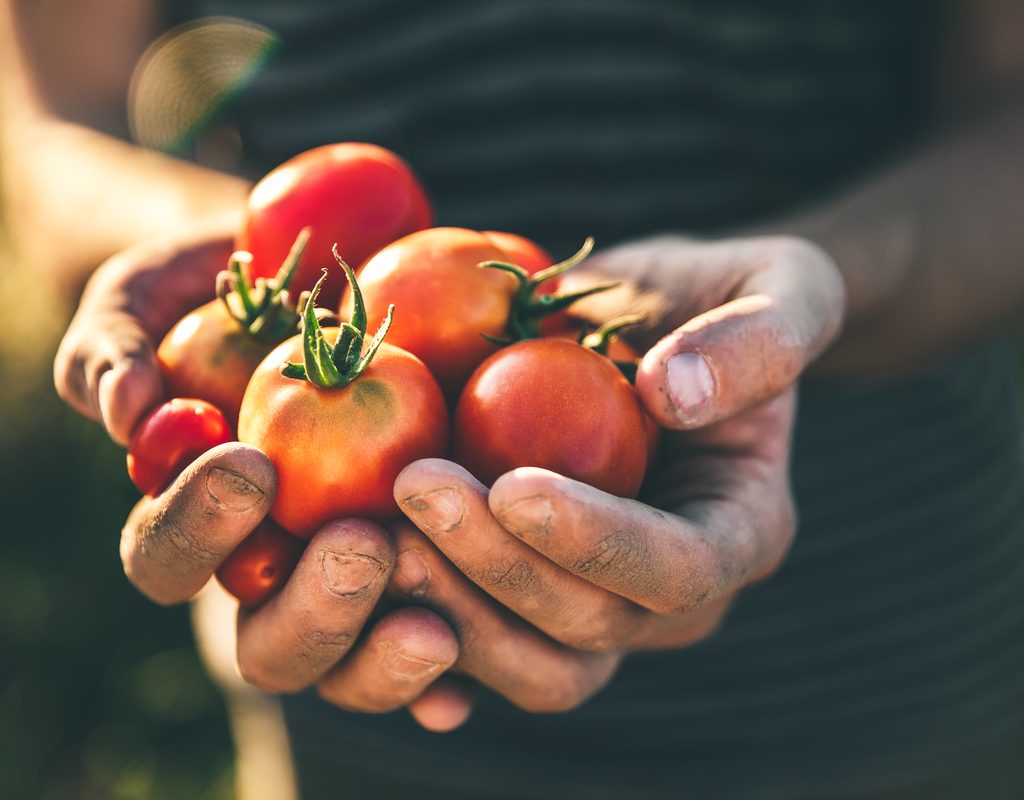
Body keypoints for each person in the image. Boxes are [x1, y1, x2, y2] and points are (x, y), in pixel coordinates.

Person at [7, 0, 1024, 797]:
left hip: (893, 659)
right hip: (355, 696)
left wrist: (820, 292)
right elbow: (55, 126)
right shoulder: (367, 352)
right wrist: (252, 263)